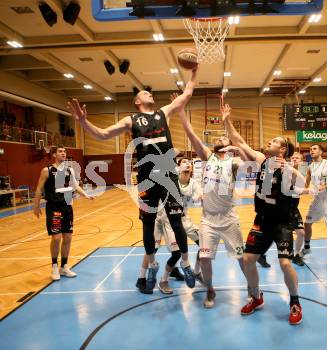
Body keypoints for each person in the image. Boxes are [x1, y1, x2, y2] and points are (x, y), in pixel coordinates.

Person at [67, 67, 198, 293]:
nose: (150, 94)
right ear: (137, 101)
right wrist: (83, 123)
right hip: (147, 178)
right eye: (145, 94)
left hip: (168, 175)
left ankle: (185, 264)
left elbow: (186, 94)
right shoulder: (131, 119)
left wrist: (194, 72)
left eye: (150, 93)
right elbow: (103, 134)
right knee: (147, 225)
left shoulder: (163, 113)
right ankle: (153, 265)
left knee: (177, 221)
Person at [223, 104, 304, 325]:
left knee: (286, 264)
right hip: (263, 220)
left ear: (283, 149)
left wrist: (286, 167)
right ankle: (257, 297)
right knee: (248, 260)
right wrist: (226, 120)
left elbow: (303, 181)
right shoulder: (261, 160)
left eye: (276, 141)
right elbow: (238, 141)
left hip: (283, 223)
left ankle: (295, 302)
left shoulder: (289, 170)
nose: (270, 141)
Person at [177, 100, 247, 308]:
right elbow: (192, 136)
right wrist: (181, 112)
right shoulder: (208, 157)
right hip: (208, 219)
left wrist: (231, 133)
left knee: (242, 259)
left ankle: (253, 290)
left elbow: (246, 155)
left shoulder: (233, 162)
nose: (219, 138)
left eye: (223, 137)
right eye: (218, 138)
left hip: (229, 218)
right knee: (205, 258)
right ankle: (210, 290)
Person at [138, 157, 204, 295]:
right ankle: (145, 278)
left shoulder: (194, 183)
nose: (188, 164)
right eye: (184, 162)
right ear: (177, 168)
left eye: (190, 163)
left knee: (204, 245)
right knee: (154, 250)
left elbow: (199, 191)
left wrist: (200, 195)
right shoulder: (171, 180)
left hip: (183, 219)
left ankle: (196, 272)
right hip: (163, 219)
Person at [33, 145, 94, 280]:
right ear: (54, 155)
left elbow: (75, 186)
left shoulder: (69, 170)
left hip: (67, 207)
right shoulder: (47, 170)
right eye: (60, 151)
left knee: (68, 238)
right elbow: (38, 189)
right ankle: (54, 267)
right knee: (56, 238)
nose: (63, 153)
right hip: (54, 207)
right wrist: (36, 206)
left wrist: (86, 195)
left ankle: (64, 266)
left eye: (64, 151)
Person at [302, 144, 327, 267]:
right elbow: (306, 184)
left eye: (314, 149)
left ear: (321, 152)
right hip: (317, 198)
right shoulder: (310, 167)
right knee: (307, 223)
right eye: (310, 149)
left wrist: (325, 185)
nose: (311, 151)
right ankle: (306, 247)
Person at [290, 152, 306, 266]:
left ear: (301, 161)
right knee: (272, 233)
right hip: (280, 207)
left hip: (293, 207)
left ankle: (296, 254)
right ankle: (261, 254)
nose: (295, 159)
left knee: (300, 232)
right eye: (293, 157)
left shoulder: (303, 173)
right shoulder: (284, 170)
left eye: (297, 158)